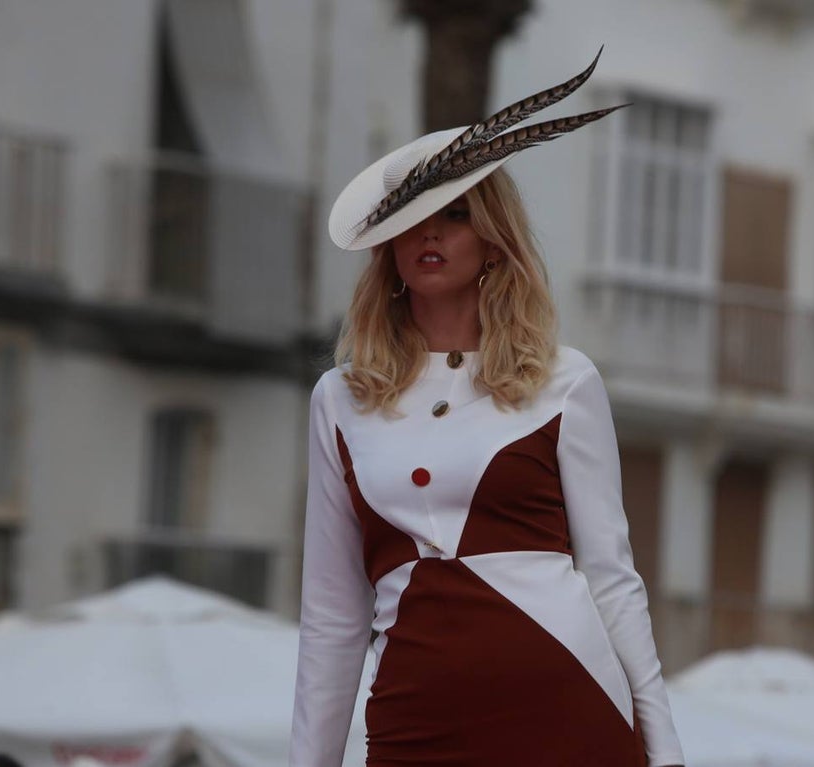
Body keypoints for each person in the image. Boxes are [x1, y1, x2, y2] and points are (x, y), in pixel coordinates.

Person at [290, 51, 685, 767]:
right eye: (412, 220)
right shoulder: (340, 401)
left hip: (567, 703)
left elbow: (612, 576)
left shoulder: (564, 381)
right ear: (387, 249)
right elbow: (332, 613)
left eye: (455, 215)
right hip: (414, 717)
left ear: (494, 243)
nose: (429, 234)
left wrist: (664, 747)